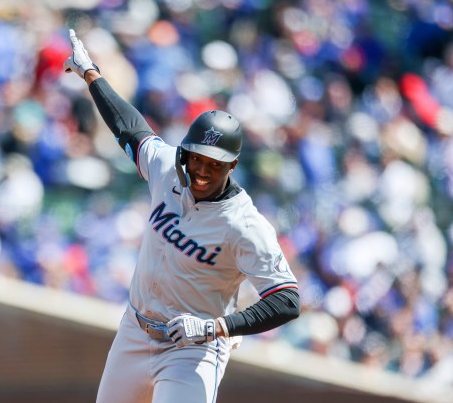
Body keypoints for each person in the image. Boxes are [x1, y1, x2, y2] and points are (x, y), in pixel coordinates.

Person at [64, 29, 300, 403]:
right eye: (197, 160)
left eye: (215, 165)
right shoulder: (167, 171)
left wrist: (220, 327)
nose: (202, 172)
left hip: (193, 348)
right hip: (135, 331)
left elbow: (287, 299)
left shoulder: (244, 224)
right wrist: (91, 74)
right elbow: (130, 128)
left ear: (233, 166)